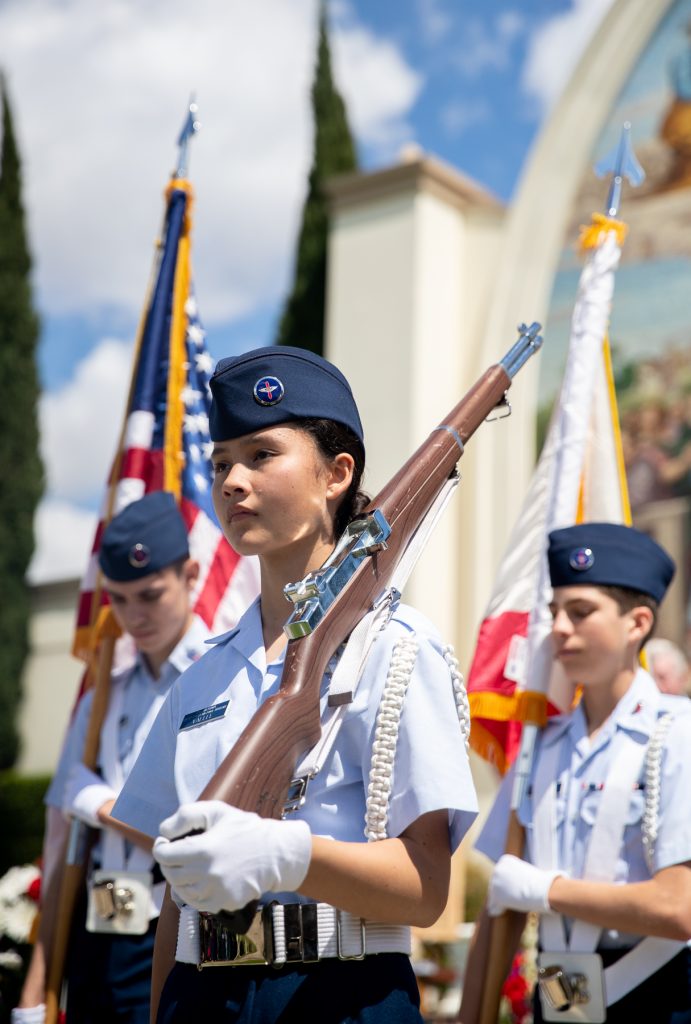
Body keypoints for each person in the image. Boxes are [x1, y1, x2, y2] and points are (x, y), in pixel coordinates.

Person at [111, 345, 478, 1023]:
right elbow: (177, 896)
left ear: (337, 473)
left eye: (260, 455)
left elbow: (427, 889)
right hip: (204, 993)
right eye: (221, 462)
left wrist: (289, 855)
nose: (230, 481)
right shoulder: (203, 676)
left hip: (339, 991)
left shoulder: (399, 650)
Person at [459, 522, 691, 1024]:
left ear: (637, 623)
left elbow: (679, 908)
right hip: (560, 997)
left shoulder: (676, 734)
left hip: (655, 995)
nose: (560, 628)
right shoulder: (541, 744)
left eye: (581, 612)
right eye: (554, 612)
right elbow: (501, 898)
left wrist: (546, 890)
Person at [14, 492, 211, 1024]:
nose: (133, 616)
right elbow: (59, 850)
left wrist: (100, 803)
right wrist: (37, 987)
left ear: (191, 574)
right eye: (119, 600)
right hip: (95, 930)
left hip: (174, 930)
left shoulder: (216, 680)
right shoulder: (105, 690)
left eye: (149, 595)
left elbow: (202, 841)